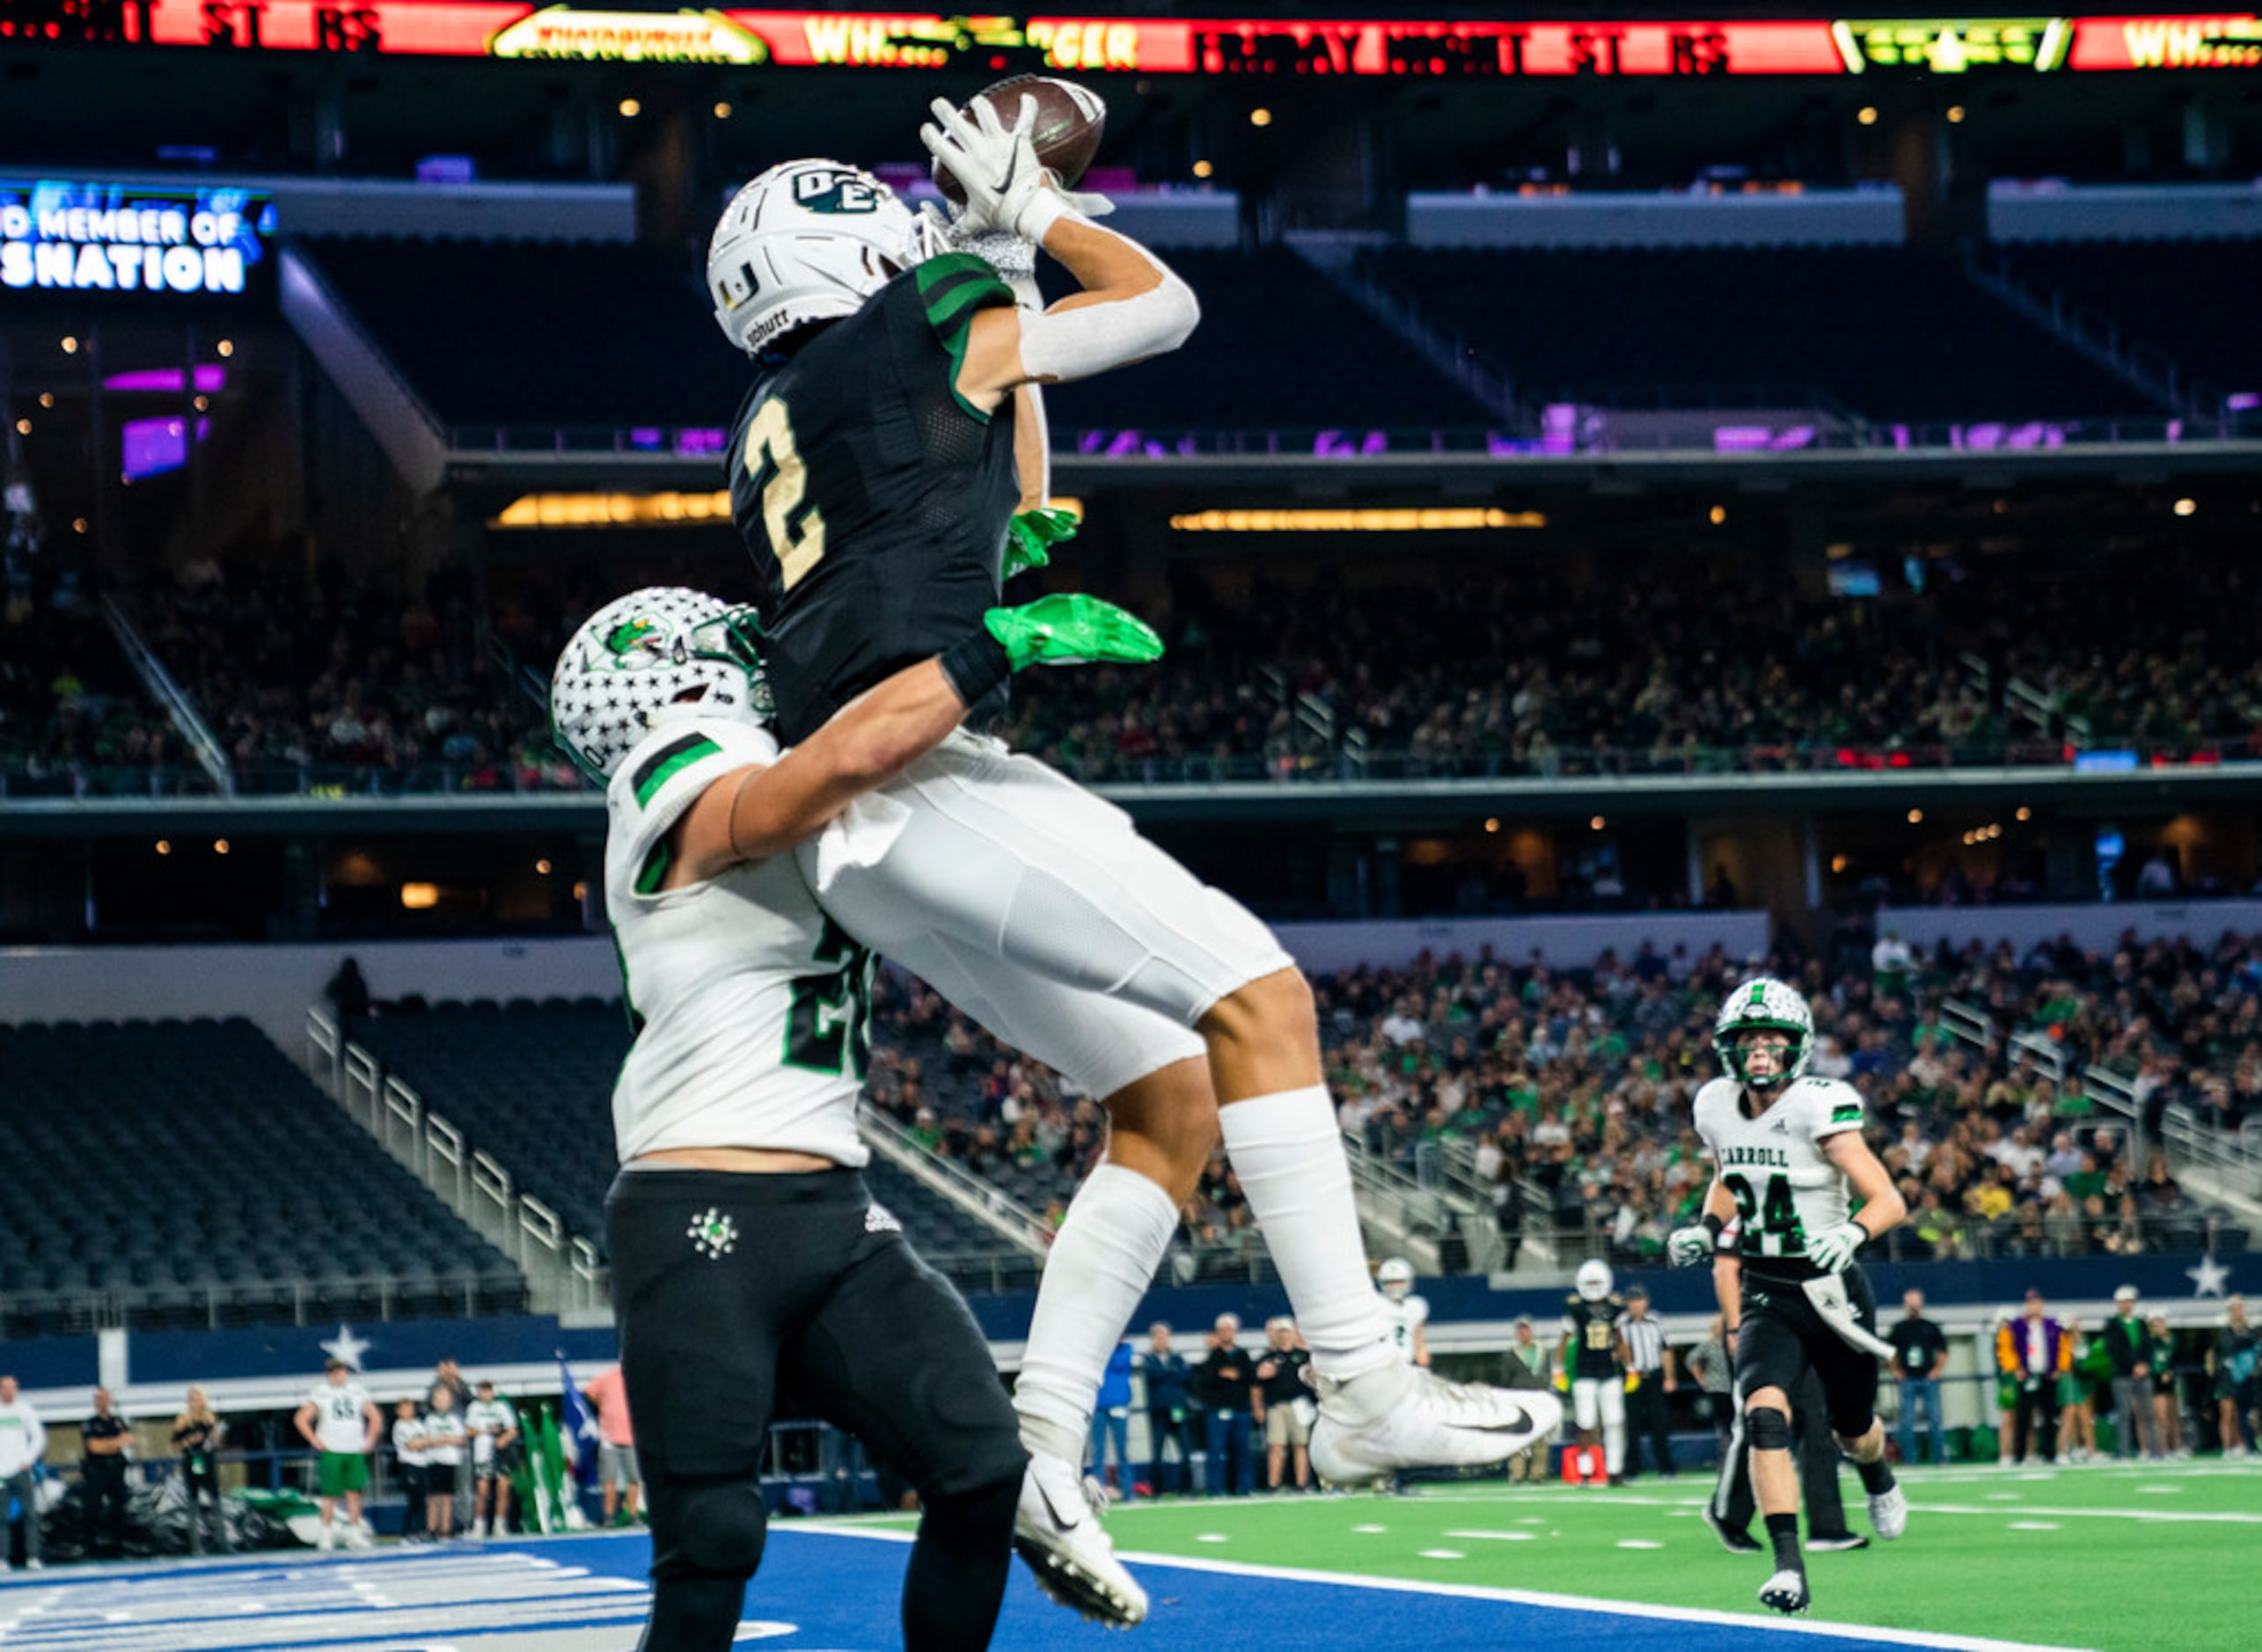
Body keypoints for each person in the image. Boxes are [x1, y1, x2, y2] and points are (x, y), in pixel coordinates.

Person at [703, 127, 1554, 1625]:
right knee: (1262, 994)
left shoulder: (778, 412)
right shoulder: (909, 327)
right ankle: (1361, 1378)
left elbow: (1014, 500)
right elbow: (1165, 308)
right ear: (850, 251)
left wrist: (1013, 259)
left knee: (1172, 1087)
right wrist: (1028, 214)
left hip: (862, 817)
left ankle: (1042, 1432)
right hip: (923, 772)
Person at [548, 596, 1168, 1652]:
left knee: (982, 1470)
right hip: (700, 1213)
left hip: (833, 1213)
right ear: (663, 676)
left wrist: (947, 582)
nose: (753, 650)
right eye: (725, 643)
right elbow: (809, 783)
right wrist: (983, 650)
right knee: (713, 1538)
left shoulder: (789, 756)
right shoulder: (669, 770)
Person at [1667, 976, 1909, 1615]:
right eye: (1747, 1038)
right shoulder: (1715, 1104)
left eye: (1771, 1038)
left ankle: (1876, 1473)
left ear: (1796, 1045)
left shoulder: (1818, 1106)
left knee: (1851, 1429)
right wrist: (1706, 1227)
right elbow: (1727, 1171)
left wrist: (1853, 1233)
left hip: (1832, 1290)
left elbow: (1888, 1199)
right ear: (1728, 1046)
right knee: (1763, 1414)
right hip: (1768, 1289)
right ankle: (1788, 1567)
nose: (1758, 1050)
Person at [1702, 1224, 1866, 1557]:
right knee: (1763, 1420)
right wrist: (1735, 1326)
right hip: (1762, 1327)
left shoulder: (1804, 1210)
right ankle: (1727, 1513)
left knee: (1816, 1421)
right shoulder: (1747, 1212)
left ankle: (1827, 1526)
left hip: (1804, 1324)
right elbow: (1724, 1268)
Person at [295, 1357, 380, 1551]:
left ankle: (354, 1532)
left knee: (354, 1493)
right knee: (330, 1495)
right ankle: (326, 1534)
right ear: (329, 1374)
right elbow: (301, 1418)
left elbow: (374, 1417)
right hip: (332, 1449)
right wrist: (314, 1440)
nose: (338, 1375)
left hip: (354, 1448)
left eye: (341, 1371)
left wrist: (369, 1440)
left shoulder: (357, 1391)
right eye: (334, 1372)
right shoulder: (321, 1392)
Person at [1558, 1259, 1629, 1485]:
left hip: (1609, 1371)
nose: (1593, 1285)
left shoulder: (1616, 1306)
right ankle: (1586, 1470)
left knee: (1614, 1421)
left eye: (1597, 1281)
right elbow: (1564, 1339)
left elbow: (1620, 1339)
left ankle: (1615, 1470)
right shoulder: (1575, 1308)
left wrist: (1631, 1366)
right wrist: (1558, 1369)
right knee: (1586, 1422)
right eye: (1590, 1281)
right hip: (1584, 1371)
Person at [1997, 1290, 2072, 1465]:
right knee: (2023, 1416)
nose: (2034, 1307)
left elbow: (2064, 1347)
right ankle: (2019, 1455)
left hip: (2047, 1375)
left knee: (2050, 1416)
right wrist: (2015, 1368)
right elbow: (2006, 1349)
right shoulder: (2016, 1326)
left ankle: (2049, 1453)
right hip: (2026, 1376)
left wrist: (2060, 1368)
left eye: (2037, 1303)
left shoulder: (2053, 1325)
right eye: (2031, 1303)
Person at [1617, 1284, 1677, 1482]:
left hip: (1653, 1376)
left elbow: (1666, 1349)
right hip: (1632, 1378)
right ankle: (1631, 1470)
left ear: (1646, 1301)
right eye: (1632, 1300)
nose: (1636, 1304)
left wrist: (1669, 1377)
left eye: (1639, 1299)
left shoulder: (1656, 1321)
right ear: (1627, 1303)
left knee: (1659, 1424)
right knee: (1631, 1425)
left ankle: (1666, 1469)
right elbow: (1617, 1350)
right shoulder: (1621, 1324)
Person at [1192, 1316, 1256, 1496]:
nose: (1226, 1333)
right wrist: (1223, 1376)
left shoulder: (1243, 1355)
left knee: (1242, 1451)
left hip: (1240, 1410)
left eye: (1230, 1329)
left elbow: (1251, 1380)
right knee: (1216, 1452)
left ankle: (1244, 1488)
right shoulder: (1213, 1357)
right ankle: (1215, 1489)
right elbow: (1205, 1382)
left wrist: (1256, 1407)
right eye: (1223, 1330)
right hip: (1217, 1411)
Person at [1887, 1289, 1948, 1468]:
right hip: (1908, 1380)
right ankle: (1910, 1460)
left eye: (1916, 1301)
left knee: (1935, 1419)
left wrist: (1936, 1370)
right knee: (1907, 1421)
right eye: (1910, 1302)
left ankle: (1940, 1458)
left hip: (1928, 1378)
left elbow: (1943, 1351)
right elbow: (1891, 1353)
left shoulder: (1930, 1327)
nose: (1913, 1305)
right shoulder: (1899, 1328)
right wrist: (1896, 1371)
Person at [2102, 1285, 2163, 1459]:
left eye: (2129, 1301)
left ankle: (2155, 1451)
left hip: (2142, 1374)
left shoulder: (2141, 1323)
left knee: (2149, 1414)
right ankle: (2124, 1452)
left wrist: (2144, 1364)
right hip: (2122, 1374)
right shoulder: (2112, 1325)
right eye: (2123, 1302)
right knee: (2124, 1415)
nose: (2126, 1305)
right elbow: (2114, 1350)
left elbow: (2148, 1346)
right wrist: (2133, 1366)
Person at [577, 1365, 641, 1527]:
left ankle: (633, 1515)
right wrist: (602, 1404)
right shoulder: (607, 1377)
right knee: (609, 1480)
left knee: (634, 1478)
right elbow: (589, 1392)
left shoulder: (637, 1377)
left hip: (631, 1439)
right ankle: (609, 1517)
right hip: (609, 1439)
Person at [1255, 1319, 1314, 1492]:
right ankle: (1273, 1483)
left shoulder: (1303, 1356)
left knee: (1300, 1445)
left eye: (1287, 1332)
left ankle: (1302, 1483)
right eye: (1280, 1332)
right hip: (1277, 1406)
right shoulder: (1268, 1358)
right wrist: (1258, 1406)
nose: (1284, 1336)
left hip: (1300, 1406)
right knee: (1276, 1445)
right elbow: (1257, 1385)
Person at [1136, 1324, 1192, 1496]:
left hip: (1177, 1409)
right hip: (1158, 1410)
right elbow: (1154, 1376)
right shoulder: (1149, 1359)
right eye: (1158, 1337)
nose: (1162, 1340)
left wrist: (1166, 1373)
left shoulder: (1178, 1358)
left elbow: (1185, 1376)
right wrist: (1170, 1373)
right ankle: (1158, 1490)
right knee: (1157, 1453)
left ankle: (1186, 1489)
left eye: (1165, 1336)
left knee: (1185, 1451)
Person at [171, 1388, 227, 1554]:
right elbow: (175, 1444)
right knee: (193, 1501)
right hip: (193, 1459)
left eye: (198, 1399)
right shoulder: (183, 1420)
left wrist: (217, 1439)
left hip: (207, 1459)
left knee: (215, 1499)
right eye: (192, 1399)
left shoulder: (211, 1418)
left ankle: (221, 1541)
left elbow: (217, 1443)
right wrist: (189, 1441)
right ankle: (195, 1545)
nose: (195, 1402)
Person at [79, 1387, 132, 1561]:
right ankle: (91, 1548)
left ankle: (117, 1548)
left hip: (116, 1470)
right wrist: (115, 1443)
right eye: (99, 1399)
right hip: (97, 1471)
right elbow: (94, 1447)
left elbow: (129, 1440)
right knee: (92, 1509)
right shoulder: (89, 1423)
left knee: (118, 1508)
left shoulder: (118, 1421)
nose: (103, 1402)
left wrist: (107, 1444)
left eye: (105, 1398)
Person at [465, 1379, 521, 1538]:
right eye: (483, 1390)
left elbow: (513, 1430)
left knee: (503, 1489)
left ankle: (500, 1524)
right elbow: (469, 1430)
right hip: (482, 1453)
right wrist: (486, 1430)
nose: (486, 1393)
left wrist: (504, 1437)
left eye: (488, 1390)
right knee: (482, 1490)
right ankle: (479, 1525)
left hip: (501, 1454)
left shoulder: (502, 1407)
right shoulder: (474, 1408)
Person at [0, 1375, 46, 1569]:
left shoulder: (24, 1411)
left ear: (16, 1389)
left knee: (29, 1515)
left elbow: (38, 1437)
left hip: (20, 1471)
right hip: (1, 1473)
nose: (8, 1391)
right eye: (4, 1388)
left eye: (12, 1388)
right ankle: (3, 1558)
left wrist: (28, 1459)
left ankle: (32, 1556)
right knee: (1, 1518)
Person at [1500, 1318, 1553, 1483]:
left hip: (1539, 1398)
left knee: (1541, 1437)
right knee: (1518, 1437)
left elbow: (1548, 1373)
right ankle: (1517, 1473)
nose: (1523, 1333)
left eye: (1526, 1329)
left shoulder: (1542, 1352)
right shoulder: (1511, 1354)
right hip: (1519, 1399)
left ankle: (1538, 1473)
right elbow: (1505, 1378)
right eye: (1520, 1330)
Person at [1087, 1342, 1134, 1502]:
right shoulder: (1096, 1348)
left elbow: (1117, 1364)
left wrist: (1105, 1349)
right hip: (1098, 1405)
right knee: (1098, 1451)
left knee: (1122, 1451)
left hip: (1119, 1404)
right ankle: (1098, 1492)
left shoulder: (1125, 1349)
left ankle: (1127, 1491)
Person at [2212, 1296, 2257, 1458]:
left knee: (2242, 1413)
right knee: (2227, 1413)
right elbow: (2226, 1349)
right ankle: (2226, 1447)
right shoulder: (2225, 1331)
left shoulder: (2250, 1329)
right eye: (2235, 1308)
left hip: (2245, 1378)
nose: (2238, 1311)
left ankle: (2241, 1445)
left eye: (2240, 1308)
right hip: (2227, 1377)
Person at [421, 1385, 466, 1539]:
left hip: (449, 1461)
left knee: (447, 1496)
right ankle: (431, 1528)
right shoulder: (430, 1420)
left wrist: (445, 1439)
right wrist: (438, 1441)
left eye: (445, 1399)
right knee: (433, 1497)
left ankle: (445, 1529)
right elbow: (426, 1439)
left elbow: (460, 1439)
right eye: (439, 1399)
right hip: (434, 1460)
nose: (442, 1402)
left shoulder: (454, 1419)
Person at [390, 1399, 429, 1544]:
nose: (409, 1411)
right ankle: (406, 1533)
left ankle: (419, 1531)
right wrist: (424, 1442)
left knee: (421, 1501)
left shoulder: (418, 1424)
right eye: (405, 1408)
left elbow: (428, 1440)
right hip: (408, 1465)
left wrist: (424, 1442)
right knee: (413, 1501)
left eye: (411, 1408)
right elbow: (411, 1444)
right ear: (398, 1411)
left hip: (422, 1464)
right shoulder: (399, 1426)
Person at [1378, 1257, 1430, 1367]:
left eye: (1399, 1282)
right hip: (1381, 1365)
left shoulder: (1416, 1306)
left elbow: (1419, 1341)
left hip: (1407, 1364)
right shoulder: (1376, 1305)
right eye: (1391, 1282)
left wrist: (1424, 1367)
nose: (1396, 1286)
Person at [2148, 1313, 2185, 1458]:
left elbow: (2177, 1359)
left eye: (2161, 1323)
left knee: (2174, 1416)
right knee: (2161, 1418)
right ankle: (2163, 1449)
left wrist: (2170, 1371)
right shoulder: (2151, 1342)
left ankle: (2177, 1447)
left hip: (2171, 1380)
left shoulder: (2173, 1340)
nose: (2159, 1327)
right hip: (2156, 1381)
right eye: (2155, 1324)